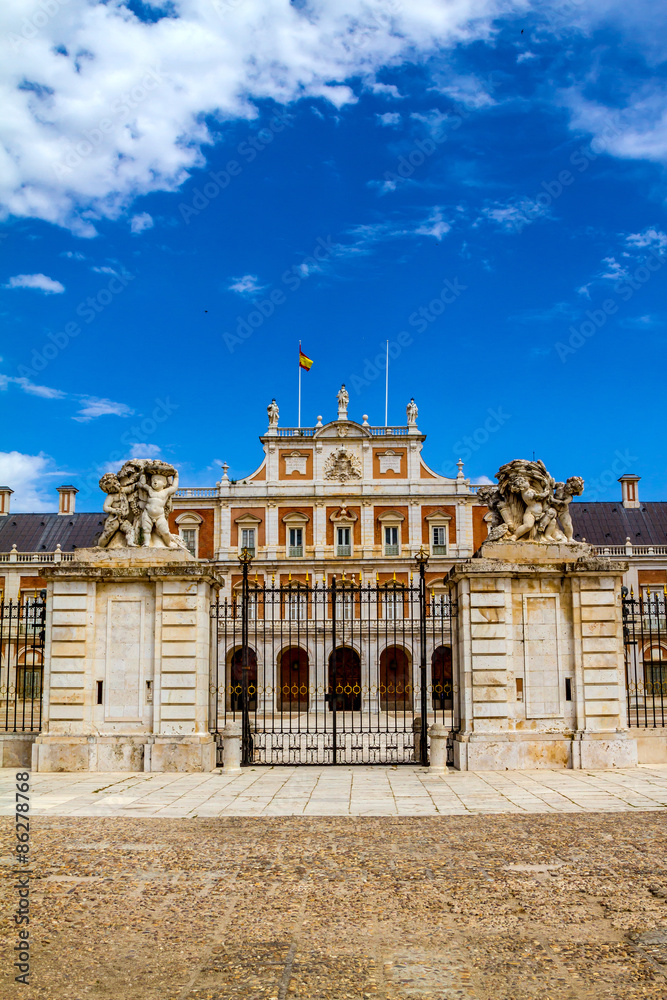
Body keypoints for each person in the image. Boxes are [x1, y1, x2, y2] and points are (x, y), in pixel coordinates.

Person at [138, 469, 183, 548]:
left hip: (159, 516)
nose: (155, 482)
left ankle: (168, 543)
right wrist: (143, 474)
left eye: (158, 480)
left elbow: (174, 487)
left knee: (165, 532)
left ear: (164, 483)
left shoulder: (165, 492)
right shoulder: (150, 490)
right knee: (146, 529)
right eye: (153, 480)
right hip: (148, 513)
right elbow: (142, 484)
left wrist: (176, 477)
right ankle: (146, 543)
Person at [97, 473, 137, 548]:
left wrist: (138, 483)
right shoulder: (111, 496)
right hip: (113, 519)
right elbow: (105, 507)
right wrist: (114, 510)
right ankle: (100, 547)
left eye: (115, 483)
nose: (116, 486)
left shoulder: (122, 490)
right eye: (112, 487)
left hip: (122, 519)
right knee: (107, 535)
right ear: (108, 489)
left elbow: (131, 488)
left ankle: (130, 543)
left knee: (130, 529)